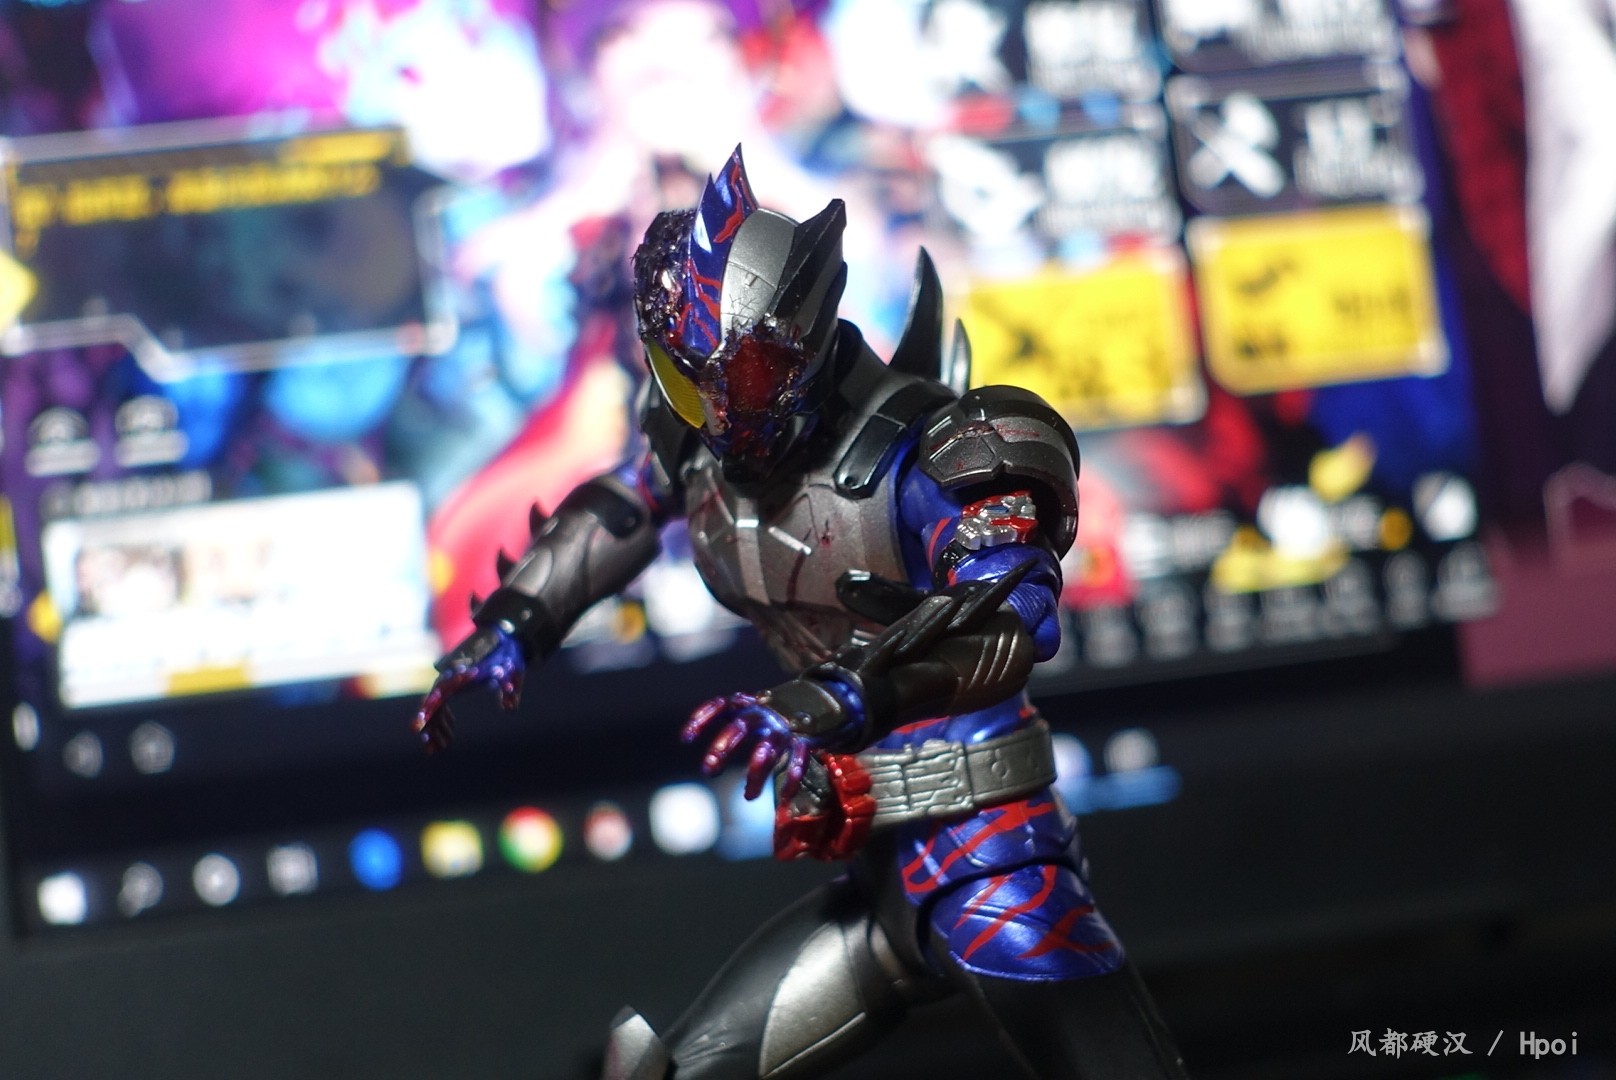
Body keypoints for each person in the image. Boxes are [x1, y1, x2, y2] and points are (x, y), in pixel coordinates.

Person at [415, 147, 1187, 1080]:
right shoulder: (699, 441)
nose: (712, 416)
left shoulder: (934, 455)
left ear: (798, 349)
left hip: (993, 855)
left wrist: (850, 698)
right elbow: (623, 507)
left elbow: (1009, 625)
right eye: (685, 381)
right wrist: (512, 626)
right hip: (879, 867)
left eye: (734, 382)